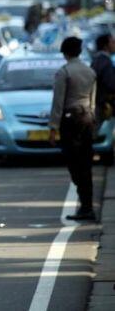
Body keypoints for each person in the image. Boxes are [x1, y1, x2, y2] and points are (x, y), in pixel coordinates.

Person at [49, 37, 97, 221]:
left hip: (70, 120)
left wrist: (53, 127)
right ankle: (87, 206)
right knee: (85, 162)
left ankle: (85, 205)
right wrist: (93, 120)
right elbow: (92, 100)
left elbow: (58, 103)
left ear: (65, 52)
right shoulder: (90, 71)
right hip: (87, 119)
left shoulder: (65, 72)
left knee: (74, 163)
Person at [91, 34, 115, 131]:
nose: (114, 45)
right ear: (106, 46)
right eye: (113, 42)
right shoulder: (104, 61)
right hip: (101, 105)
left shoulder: (97, 60)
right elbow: (111, 85)